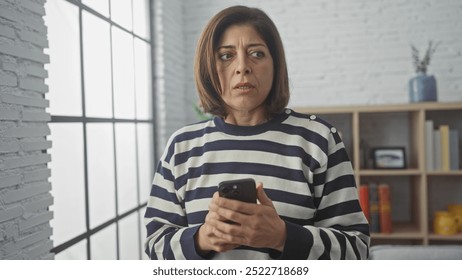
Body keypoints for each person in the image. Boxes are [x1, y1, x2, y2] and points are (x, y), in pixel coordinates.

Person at [144, 5, 370, 260]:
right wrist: (203, 238)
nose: (242, 67)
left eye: (257, 53)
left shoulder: (319, 139)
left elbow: (356, 251)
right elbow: (155, 247)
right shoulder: (181, 147)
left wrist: (283, 237)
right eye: (226, 56)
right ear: (208, 67)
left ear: (275, 65)